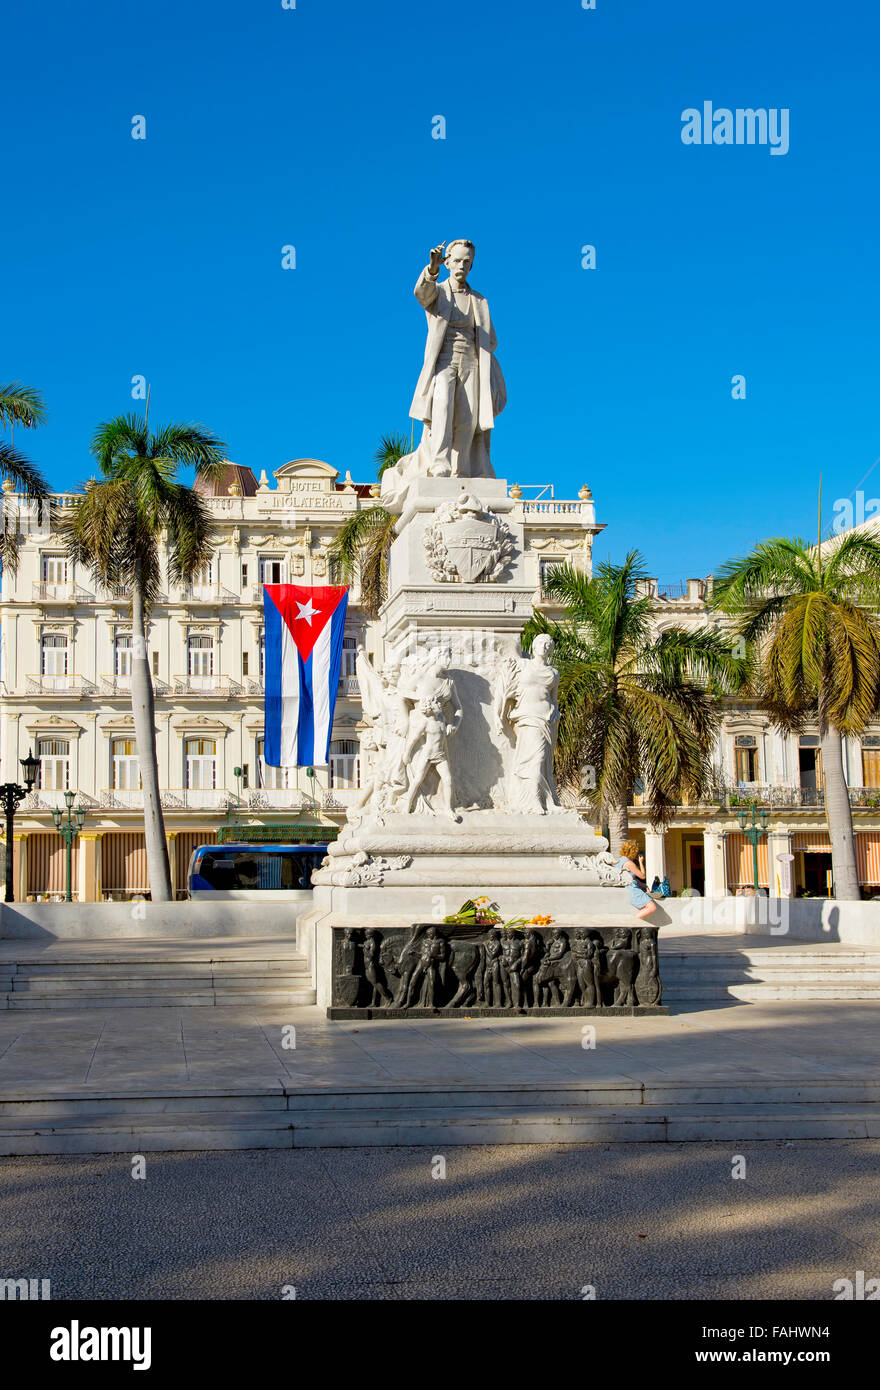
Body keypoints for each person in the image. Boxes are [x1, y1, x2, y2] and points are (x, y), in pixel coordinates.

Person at [617, 839, 658, 920]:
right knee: (652, 907)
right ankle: (632, 922)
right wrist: (640, 862)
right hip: (632, 889)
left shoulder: (618, 861)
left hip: (624, 888)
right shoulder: (629, 863)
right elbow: (642, 876)